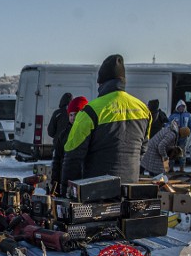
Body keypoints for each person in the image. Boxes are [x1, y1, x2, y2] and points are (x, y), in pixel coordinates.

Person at [61, 54, 151, 192]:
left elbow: (73, 156)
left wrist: (65, 189)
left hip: (96, 190)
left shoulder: (90, 111)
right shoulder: (144, 110)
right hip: (130, 189)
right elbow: (142, 149)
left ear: (101, 82)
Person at [47, 93, 72, 192]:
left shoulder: (57, 113)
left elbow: (50, 131)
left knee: (56, 169)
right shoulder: (74, 114)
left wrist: (57, 135)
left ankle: (55, 189)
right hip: (71, 147)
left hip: (58, 146)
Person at [168, 100, 191, 170]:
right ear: (177, 107)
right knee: (173, 151)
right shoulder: (173, 116)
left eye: (183, 107)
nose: (181, 108)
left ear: (185, 107)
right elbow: (167, 125)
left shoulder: (188, 115)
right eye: (180, 107)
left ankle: (182, 168)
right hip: (174, 137)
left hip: (184, 137)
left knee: (182, 152)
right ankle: (171, 168)